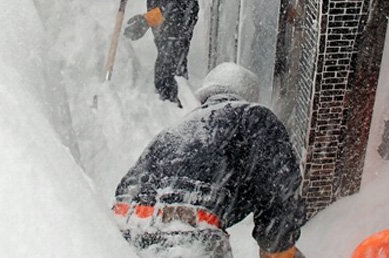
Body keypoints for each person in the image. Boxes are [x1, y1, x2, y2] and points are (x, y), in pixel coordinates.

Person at [112, 63, 306, 258]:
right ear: (249, 95)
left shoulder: (173, 132)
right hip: (186, 229)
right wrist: (279, 246)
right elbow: (279, 187)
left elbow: (128, 187)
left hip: (124, 229)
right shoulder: (254, 116)